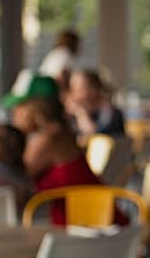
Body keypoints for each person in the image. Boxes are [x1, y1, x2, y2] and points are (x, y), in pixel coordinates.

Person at [10, 96, 101, 225]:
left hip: (84, 222)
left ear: (33, 112)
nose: (14, 118)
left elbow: (19, 174)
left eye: (18, 112)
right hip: (89, 214)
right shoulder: (61, 133)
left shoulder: (48, 139)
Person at [65, 68, 125, 139]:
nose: (74, 95)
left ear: (94, 89)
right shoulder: (70, 114)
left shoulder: (110, 113)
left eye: (79, 90)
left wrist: (81, 114)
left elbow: (96, 137)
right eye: (72, 89)